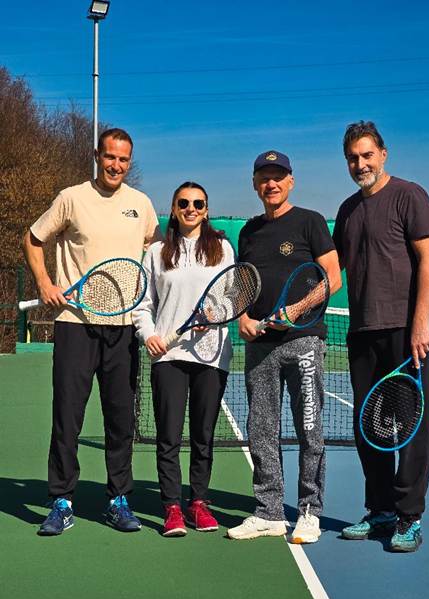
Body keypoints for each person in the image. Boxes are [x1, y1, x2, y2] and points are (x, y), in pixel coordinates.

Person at [23, 128, 160, 536]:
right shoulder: (71, 198)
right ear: (97, 155)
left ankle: (118, 500)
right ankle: (61, 500)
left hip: (123, 329)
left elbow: (157, 255)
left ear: (129, 162)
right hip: (75, 326)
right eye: (110, 157)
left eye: (123, 159)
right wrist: (45, 283)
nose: (116, 165)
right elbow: (32, 239)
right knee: (67, 418)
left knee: (120, 421)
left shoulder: (141, 205)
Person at [333, 121, 429, 553]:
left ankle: (409, 516)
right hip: (362, 335)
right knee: (370, 428)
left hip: (404, 333)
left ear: (383, 154)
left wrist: (419, 323)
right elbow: (332, 270)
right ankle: (380, 510)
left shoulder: (410, 195)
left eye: (366, 155)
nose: (360, 164)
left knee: (411, 428)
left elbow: (428, 260)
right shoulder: (346, 210)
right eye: (352, 158)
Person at [227, 151, 341, 544]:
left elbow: (333, 279)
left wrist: (297, 309)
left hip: (304, 341)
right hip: (260, 346)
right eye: (264, 177)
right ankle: (269, 512)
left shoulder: (310, 221)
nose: (271, 184)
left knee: (310, 429)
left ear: (290, 181)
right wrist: (242, 317)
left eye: (278, 177)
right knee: (261, 430)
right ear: (255, 184)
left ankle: (309, 511)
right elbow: (242, 284)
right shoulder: (248, 231)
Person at [132, 182, 235, 537]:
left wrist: (215, 314)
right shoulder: (157, 251)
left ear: (206, 210)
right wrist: (149, 335)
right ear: (174, 209)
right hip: (169, 356)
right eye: (184, 203)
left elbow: (232, 296)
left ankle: (199, 503)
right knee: (169, 436)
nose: (191, 208)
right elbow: (143, 304)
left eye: (198, 203)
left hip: (212, 357)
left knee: (203, 436)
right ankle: (172, 507)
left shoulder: (222, 248)